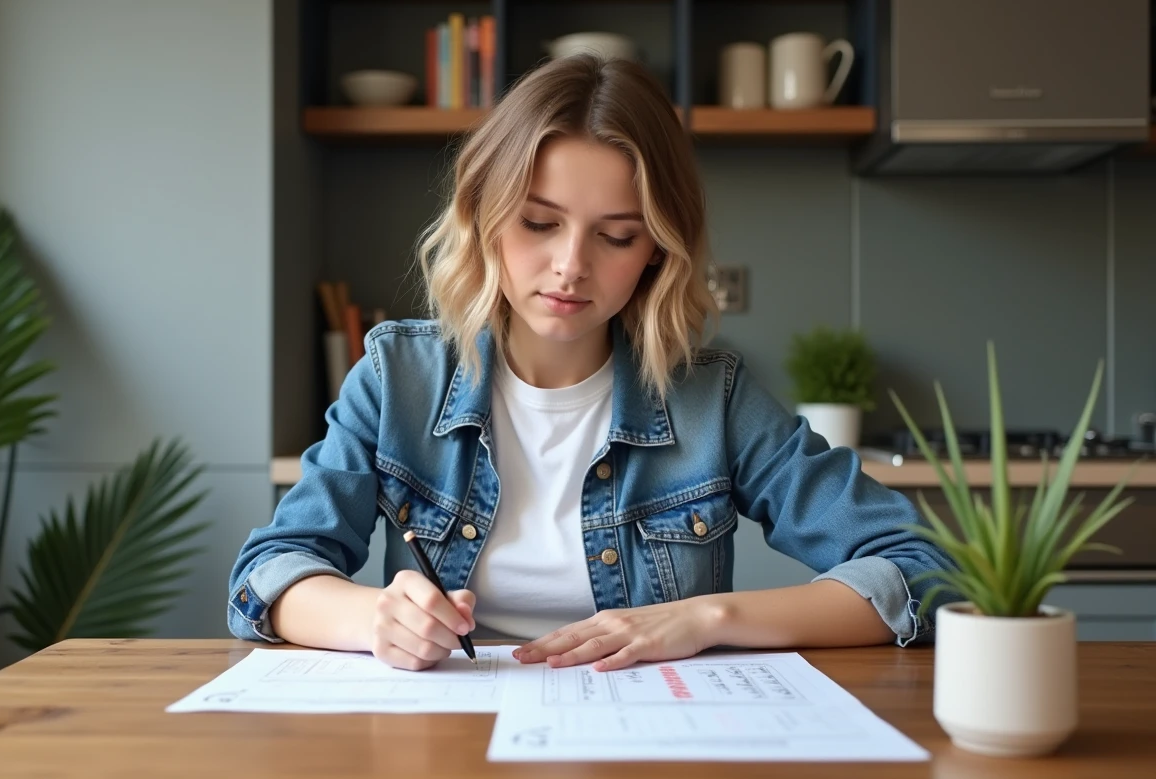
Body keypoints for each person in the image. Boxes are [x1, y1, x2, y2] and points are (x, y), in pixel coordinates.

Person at [228, 54, 952, 673]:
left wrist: (707, 619)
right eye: (539, 223)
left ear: (656, 251)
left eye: (616, 236)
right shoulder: (397, 378)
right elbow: (269, 572)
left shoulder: (713, 399)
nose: (570, 266)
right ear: (485, 214)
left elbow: (922, 568)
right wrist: (372, 619)